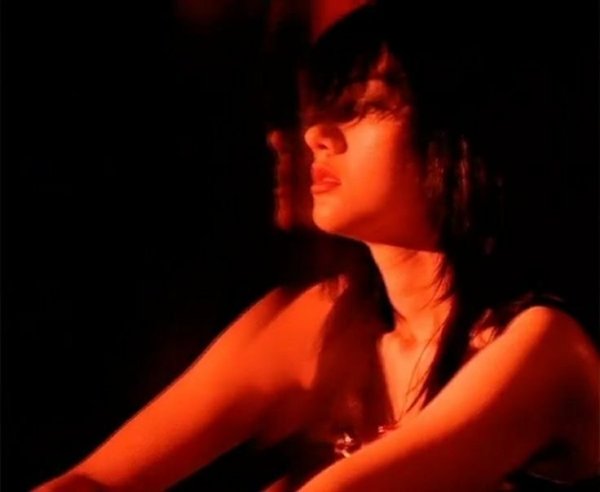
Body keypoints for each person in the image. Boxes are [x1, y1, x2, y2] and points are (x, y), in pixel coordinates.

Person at [36, 3, 598, 491]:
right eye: (324, 111)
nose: (315, 136)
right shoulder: (321, 322)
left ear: (462, 132)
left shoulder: (542, 346)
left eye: (366, 106)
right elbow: (97, 480)